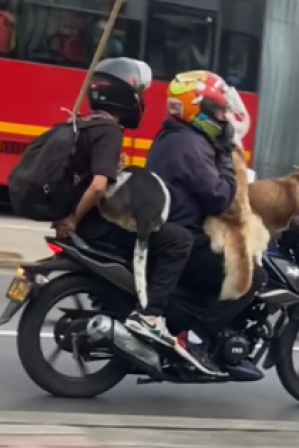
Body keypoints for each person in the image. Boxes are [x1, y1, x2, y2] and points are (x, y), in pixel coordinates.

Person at [61, 58, 196, 358]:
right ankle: (150, 316)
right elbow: (97, 186)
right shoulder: (110, 130)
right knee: (179, 240)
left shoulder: (85, 122)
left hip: (90, 223)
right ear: (124, 96)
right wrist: (73, 219)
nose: (142, 101)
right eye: (140, 94)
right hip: (96, 226)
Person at [145, 70, 263, 380]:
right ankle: (195, 340)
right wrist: (226, 158)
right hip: (185, 238)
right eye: (218, 111)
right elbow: (219, 198)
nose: (224, 118)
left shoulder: (174, 136)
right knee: (252, 275)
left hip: (173, 232)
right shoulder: (191, 146)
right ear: (195, 109)